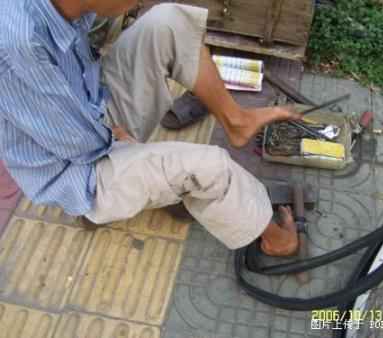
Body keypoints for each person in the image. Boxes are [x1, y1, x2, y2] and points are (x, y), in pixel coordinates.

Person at [0, 0, 300, 256]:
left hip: (89, 109)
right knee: (210, 167)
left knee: (167, 22)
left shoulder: (60, 6)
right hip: (79, 169)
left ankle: (238, 122)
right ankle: (278, 241)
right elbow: (76, 144)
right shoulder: (17, 44)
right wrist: (133, 149)